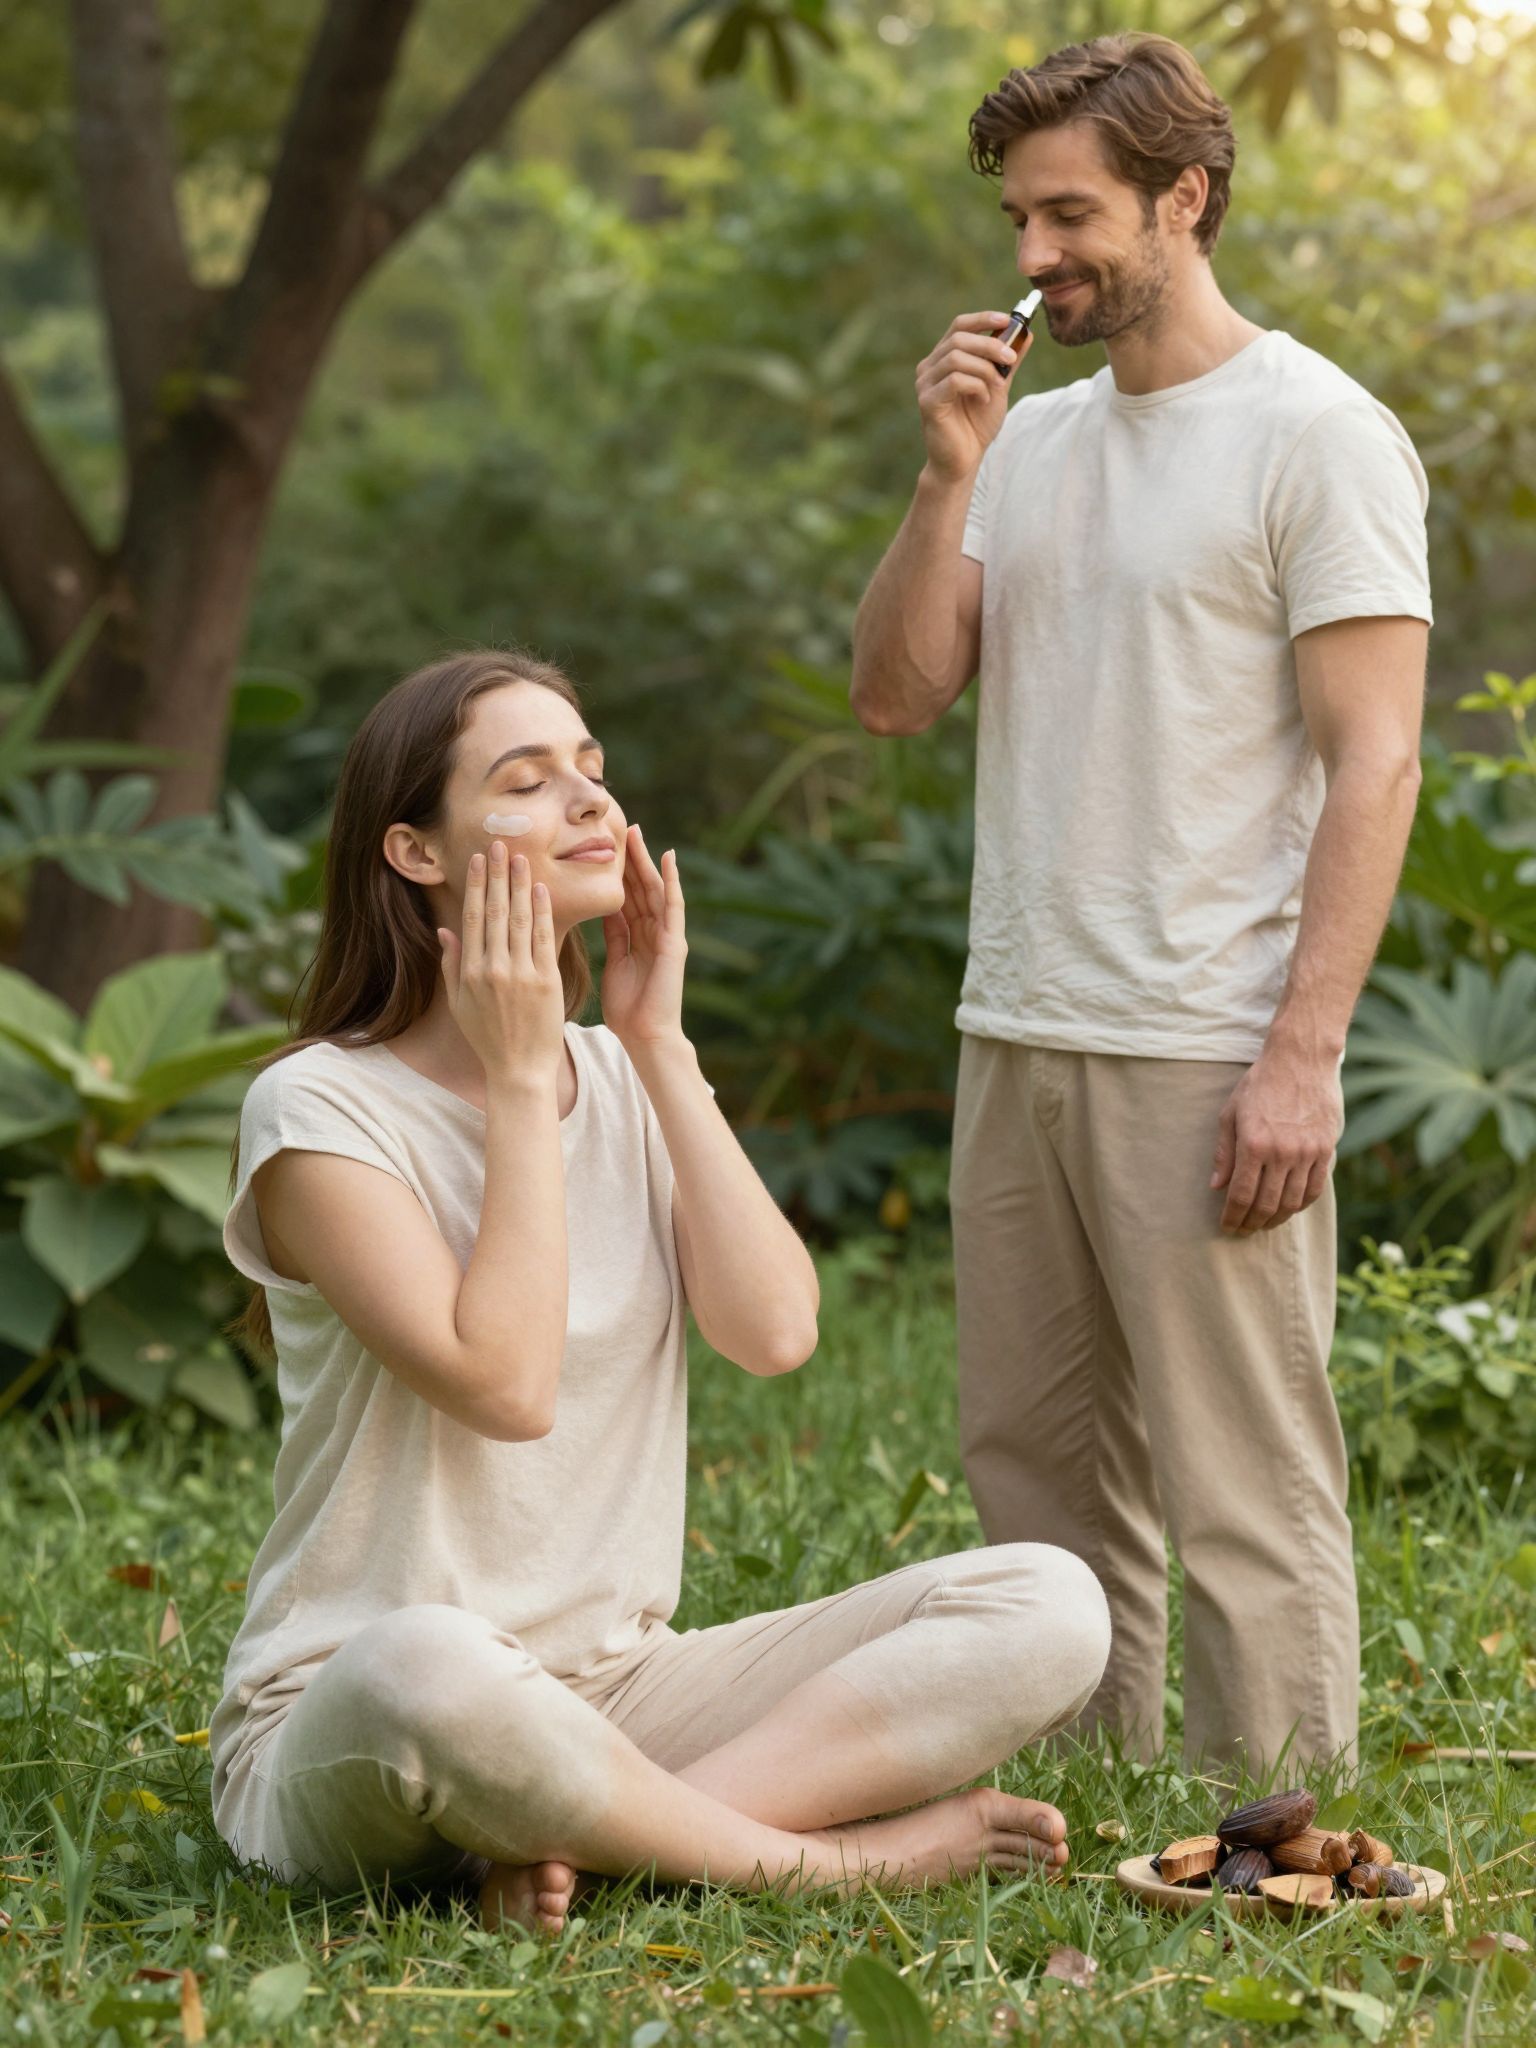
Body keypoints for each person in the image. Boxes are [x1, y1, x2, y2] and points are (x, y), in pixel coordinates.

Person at [210, 648, 1112, 1936]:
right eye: (529, 782)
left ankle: (593, 1832)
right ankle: (823, 1862)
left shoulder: (621, 1079)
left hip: (618, 1687)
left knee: (1047, 1605)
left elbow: (776, 1332)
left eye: (593, 772)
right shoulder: (319, 1111)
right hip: (361, 1713)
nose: (592, 805)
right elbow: (504, 1387)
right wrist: (522, 1083)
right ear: (416, 854)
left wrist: (660, 1047)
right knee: (432, 1660)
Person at [849, 34, 1431, 1775]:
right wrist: (949, 469)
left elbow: (1377, 764)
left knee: (1243, 1477)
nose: (1034, 255)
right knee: (1031, 1463)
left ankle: (1277, 1836)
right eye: (1021, 218)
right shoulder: (1025, 448)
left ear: (1186, 198)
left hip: (1203, 1038)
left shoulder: (1317, 435)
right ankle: (1090, 1805)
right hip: (1017, 1021)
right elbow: (894, 697)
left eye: (1072, 214)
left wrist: (1302, 1054)